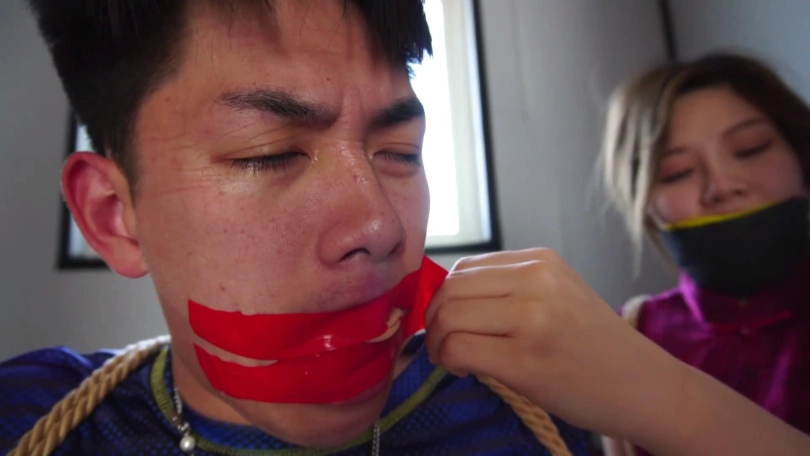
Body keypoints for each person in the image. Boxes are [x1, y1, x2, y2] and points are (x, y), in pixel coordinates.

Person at [1, 2, 809, 455]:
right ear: (113, 216)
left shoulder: (533, 409)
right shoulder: (33, 417)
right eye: (268, 153)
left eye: (399, 152)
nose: (380, 226)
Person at [600, 53, 810, 455]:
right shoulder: (624, 339)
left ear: (801, 157)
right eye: (677, 172)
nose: (723, 186)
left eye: (750, 148)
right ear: (647, 207)